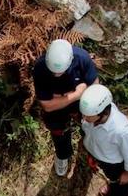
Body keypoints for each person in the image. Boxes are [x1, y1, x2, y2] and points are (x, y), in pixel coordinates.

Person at [32, 39, 99, 177]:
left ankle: (91, 150)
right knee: (58, 133)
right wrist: (76, 94)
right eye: (53, 71)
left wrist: (59, 97)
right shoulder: (40, 68)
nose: (57, 75)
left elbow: (94, 88)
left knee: (89, 127)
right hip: (60, 110)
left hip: (82, 104)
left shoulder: (82, 59)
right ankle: (63, 155)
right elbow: (47, 106)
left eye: (61, 71)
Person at [79, 84, 128, 196]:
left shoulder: (121, 130)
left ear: (103, 113)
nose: (84, 117)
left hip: (114, 163)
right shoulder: (92, 115)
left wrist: (127, 173)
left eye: (88, 115)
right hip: (100, 155)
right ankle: (111, 186)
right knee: (112, 179)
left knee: (121, 184)